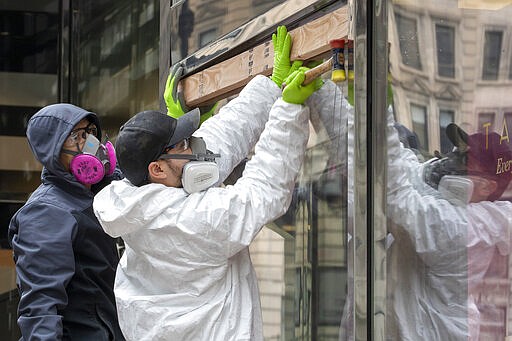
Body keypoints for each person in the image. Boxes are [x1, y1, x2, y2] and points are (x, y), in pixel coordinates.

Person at [92, 26, 322, 340]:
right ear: (158, 169)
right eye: (185, 143)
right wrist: (289, 109)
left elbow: (219, 142)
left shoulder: (136, 203)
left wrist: (271, 87)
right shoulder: (191, 220)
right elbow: (263, 191)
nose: (196, 148)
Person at [8, 103, 125, 340]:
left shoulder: (102, 193)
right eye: (77, 136)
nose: (91, 143)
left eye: (91, 132)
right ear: (52, 150)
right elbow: (40, 306)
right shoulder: (45, 212)